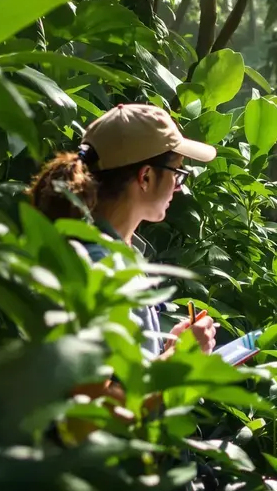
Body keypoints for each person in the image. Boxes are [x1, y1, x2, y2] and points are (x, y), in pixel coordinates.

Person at [28, 102, 220, 360]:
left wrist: (165, 353)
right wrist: (179, 357)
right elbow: (95, 384)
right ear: (146, 177)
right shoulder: (102, 266)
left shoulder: (110, 253)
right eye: (177, 173)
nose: (179, 187)